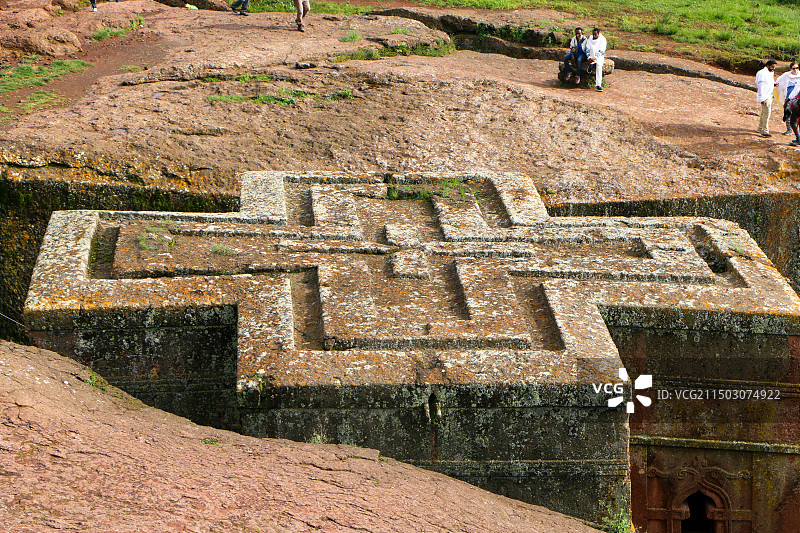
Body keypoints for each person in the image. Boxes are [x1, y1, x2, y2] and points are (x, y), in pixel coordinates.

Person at [755, 59, 778, 137]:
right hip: (765, 96)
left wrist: (774, 84)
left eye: (774, 67)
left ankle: (760, 128)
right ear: (767, 65)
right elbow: (760, 85)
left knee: (764, 113)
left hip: (769, 95)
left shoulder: (770, 72)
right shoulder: (762, 73)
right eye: (772, 67)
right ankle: (764, 130)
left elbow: (770, 81)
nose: (773, 68)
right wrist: (762, 98)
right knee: (766, 113)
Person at [777, 63, 800, 134]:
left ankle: (797, 134)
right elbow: (779, 81)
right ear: (790, 69)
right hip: (789, 95)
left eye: (796, 68)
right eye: (793, 68)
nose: (795, 70)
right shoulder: (786, 75)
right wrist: (784, 88)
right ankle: (789, 129)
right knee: (787, 112)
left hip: (797, 97)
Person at [584, 28, 607, 92]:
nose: (594, 35)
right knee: (592, 49)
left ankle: (598, 84)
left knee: (599, 66)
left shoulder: (602, 39)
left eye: (595, 34)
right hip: (591, 55)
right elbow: (587, 48)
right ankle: (590, 65)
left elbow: (602, 50)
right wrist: (589, 57)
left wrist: (595, 58)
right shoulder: (590, 38)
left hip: (599, 56)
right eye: (593, 34)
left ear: (598, 34)